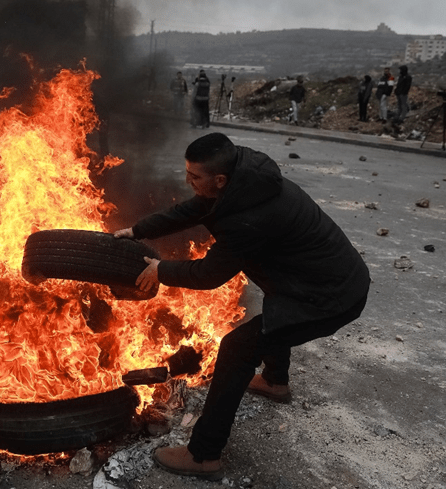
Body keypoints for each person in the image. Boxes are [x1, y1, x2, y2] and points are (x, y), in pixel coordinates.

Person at [113, 133, 370, 480]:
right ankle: (275, 382)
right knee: (275, 304)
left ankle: (204, 456)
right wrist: (138, 229)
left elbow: (208, 274)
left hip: (330, 298)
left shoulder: (249, 216)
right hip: (314, 281)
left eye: (194, 177)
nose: (188, 181)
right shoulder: (243, 181)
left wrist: (161, 271)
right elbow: (193, 209)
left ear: (219, 179)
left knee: (237, 348)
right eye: (187, 172)